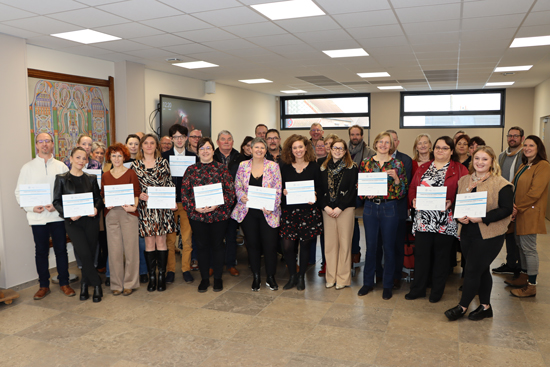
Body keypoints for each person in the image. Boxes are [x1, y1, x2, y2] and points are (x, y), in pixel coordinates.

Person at [445, 146, 513, 321]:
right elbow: (457, 204)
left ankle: (462, 306)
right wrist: (459, 217)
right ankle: (485, 307)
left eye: (484, 159)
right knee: (482, 269)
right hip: (467, 232)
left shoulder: (502, 184)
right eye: (477, 158)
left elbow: (506, 210)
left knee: (472, 269)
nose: (480, 162)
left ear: (492, 162)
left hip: (490, 234)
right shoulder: (464, 180)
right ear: (472, 160)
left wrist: (481, 218)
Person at [406, 136, 468, 303]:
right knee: (421, 256)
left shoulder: (460, 169)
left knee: (441, 258)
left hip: (445, 221)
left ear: (452, 151)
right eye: (438, 147)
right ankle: (418, 289)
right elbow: (413, 187)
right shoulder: (423, 167)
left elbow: (467, 192)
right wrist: (412, 200)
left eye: (445, 148)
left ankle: (437, 291)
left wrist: (452, 202)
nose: (440, 150)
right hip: (423, 220)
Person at [15, 132, 75, 300]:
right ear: (36, 145)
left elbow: (67, 192)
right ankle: (43, 285)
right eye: (41, 141)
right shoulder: (27, 168)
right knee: (41, 252)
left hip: (56, 217)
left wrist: (57, 207)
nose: (44, 144)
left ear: (52, 144)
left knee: (61, 250)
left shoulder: (61, 167)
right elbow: (19, 192)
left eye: (47, 141)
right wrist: (32, 207)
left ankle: (64, 283)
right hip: (38, 218)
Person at [182, 137, 236, 292]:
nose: (205, 151)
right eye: (202, 148)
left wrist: (216, 204)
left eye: (208, 148)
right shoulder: (191, 170)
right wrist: (195, 207)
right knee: (202, 246)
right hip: (197, 216)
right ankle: (204, 279)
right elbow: (185, 194)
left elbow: (230, 193)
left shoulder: (222, 169)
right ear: (197, 152)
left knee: (218, 246)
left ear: (213, 150)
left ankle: (218, 278)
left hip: (219, 215)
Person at [358, 131, 407, 300]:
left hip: (390, 208)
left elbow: (402, 192)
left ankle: (387, 285)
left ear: (391, 145)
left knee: (389, 248)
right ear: (376, 143)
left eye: (387, 142)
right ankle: (367, 283)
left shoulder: (397, 164)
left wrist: (396, 179)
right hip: (370, 208)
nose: (384, 145)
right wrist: (366, 194)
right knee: (371, 247)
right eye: (381, 142)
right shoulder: (366, 163)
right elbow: (360, 187)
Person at [53, 147, 104, 302]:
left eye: (84, 158)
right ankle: (96, 284)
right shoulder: (61, 178)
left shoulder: (91, 178)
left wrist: (96, 209)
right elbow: (56, 201)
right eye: (78, 158)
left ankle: (83, 284)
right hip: (73, 222)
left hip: (91, 221)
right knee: (84, 253)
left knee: (90, 252)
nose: (81, 161)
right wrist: (68, 213)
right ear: (71, 158)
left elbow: (99, 199)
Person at [231, 137, 282, 291]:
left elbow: (278, 189)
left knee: (270, 246)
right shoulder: (243, 165)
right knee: (252, 245)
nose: (259, 150)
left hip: (268, 212)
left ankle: (271, 277)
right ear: (250, 149)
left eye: (262, 148)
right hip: (248, 212)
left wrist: (271, 206)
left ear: (266, 150)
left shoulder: (273, 166)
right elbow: (237, 185)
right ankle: (256, 276)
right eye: (256, 147)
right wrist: (241, 196)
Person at [132, 134, 177, 292]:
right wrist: (138, 195)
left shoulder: (163, 163)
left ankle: (161, 276)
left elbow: (169, 184)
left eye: (152, 143)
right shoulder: (135, 165)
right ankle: (152, 277)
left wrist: (172, 202)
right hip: (145, 209)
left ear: (156, 146)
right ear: (141, 146)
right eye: (146, 143)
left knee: (161, 242)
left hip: (162, 208)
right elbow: (133, 188)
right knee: (149, 243)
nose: (149, 146)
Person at [507, 135, 550, 297]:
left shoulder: (543, 165)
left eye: (531, 145)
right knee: (520, 246)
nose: (527, 148)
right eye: (525, 145)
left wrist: (517, 207)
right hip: (519, 212)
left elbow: (535, 192)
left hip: (529, 212)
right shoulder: (525, 165)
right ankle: (523, 276)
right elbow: (514, 186)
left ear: (539, 148)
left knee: (529, 249)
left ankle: (531, 285)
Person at [279, 134, 323, 291]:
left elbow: (320, 187)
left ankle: (301, 276)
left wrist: (316, 195)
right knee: (288, 247)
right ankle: (292, 276)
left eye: (300, 147)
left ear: (306, 148)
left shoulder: (314, 167)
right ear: (290, 150)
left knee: (305, 247)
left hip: (308, 212)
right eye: (295, 147)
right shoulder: (284, 167)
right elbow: (279, 188)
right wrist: (283, 192)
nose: (298, 150)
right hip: (289, 213)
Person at [101, 143, 141, 296]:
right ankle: (117, 284)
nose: (116, 159)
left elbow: (136, 192)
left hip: (128, 213)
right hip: (111, 214)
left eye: (119, 155)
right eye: (113, 155)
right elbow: (103, 194)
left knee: (131, 250)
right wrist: (106, 202)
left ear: (124, 157)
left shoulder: (131, 173)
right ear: (109, 158)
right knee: (114, 251)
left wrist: (134, 206)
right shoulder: (105, 175)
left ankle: (130, 283)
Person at [319, 138, 357, 289]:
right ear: (330, 149)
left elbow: (352, 191)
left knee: (345, 244)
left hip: (345, 209)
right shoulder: (322, 166)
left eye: (341, 148)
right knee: (330, 244)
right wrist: (325, 207)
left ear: (345, 151)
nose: (337, 151)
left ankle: (342, 279)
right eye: (335, 148)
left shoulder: (352, 167)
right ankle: (331, 277)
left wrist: (340, 207)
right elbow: (319, 189)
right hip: (327, 209)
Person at [162, 124, 197, 285]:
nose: (179, 140)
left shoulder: (193, 157)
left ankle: (186, 269)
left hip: (186, 203)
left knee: (187, 238)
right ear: (171, 139)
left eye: (182, 136)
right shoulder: (164, 157)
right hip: (169, 204)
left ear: (186, 138)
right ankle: (170, 270)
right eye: (176, 137)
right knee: (169, 240)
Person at [380, 130, 412, 289]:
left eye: (391, 141)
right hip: (378, 209)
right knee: (380, 244)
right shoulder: (374, 161)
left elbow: (406, 186)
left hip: (397, 209)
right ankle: (380, 275)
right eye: (384, 141)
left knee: (396, 245)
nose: (387, 144)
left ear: (396, 143)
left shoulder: (405, 160)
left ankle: (396, 276)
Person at [492, 126, 525, 276]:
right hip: (504, 201)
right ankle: (511, 263)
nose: (512, 138)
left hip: (519, 202)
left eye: (516, 136)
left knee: (518, 237)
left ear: (522, 138)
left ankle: (521, 268)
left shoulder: (524, 156)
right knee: (508, 234)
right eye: (510, 136)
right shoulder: (501, 156)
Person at [214, 130, 241, 276]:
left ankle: (230, 264)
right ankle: (214, 264)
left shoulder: (240, 157)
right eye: (223, 139)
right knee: (215, 236)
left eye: (229, 139)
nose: (226, 141)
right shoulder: (212, 156)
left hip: (234, 203)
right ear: (218, 142)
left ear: (232, 142)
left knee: (231, 235)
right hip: (215, 203)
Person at [348, 125, 375, 264]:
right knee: (351, 224)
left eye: (357, 134)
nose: (355, 137)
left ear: (362, 136)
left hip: (365, 194)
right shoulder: (343, 151)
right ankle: (355, 251)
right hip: (349, 193)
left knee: (369, 224)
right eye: (352, 134)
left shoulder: (370, 152)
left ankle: (370, 256)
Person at [125, 133, 148, 284]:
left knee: (142, 242)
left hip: (141, 205)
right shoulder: (119, 161)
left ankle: (143, 271)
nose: (133, 146)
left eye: (136, 143)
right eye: (130, 143)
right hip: (124, 206)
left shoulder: (143, 162)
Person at [91, 141, 108, 274]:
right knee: (95, 237)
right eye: (97, 152)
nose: (99, 155)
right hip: (93, 206)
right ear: (91, 154)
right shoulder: (88, 169)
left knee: (104, 237)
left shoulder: (108, 167)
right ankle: (95, 264)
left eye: (102, 153)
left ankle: (103, 263)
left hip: (106, 206)